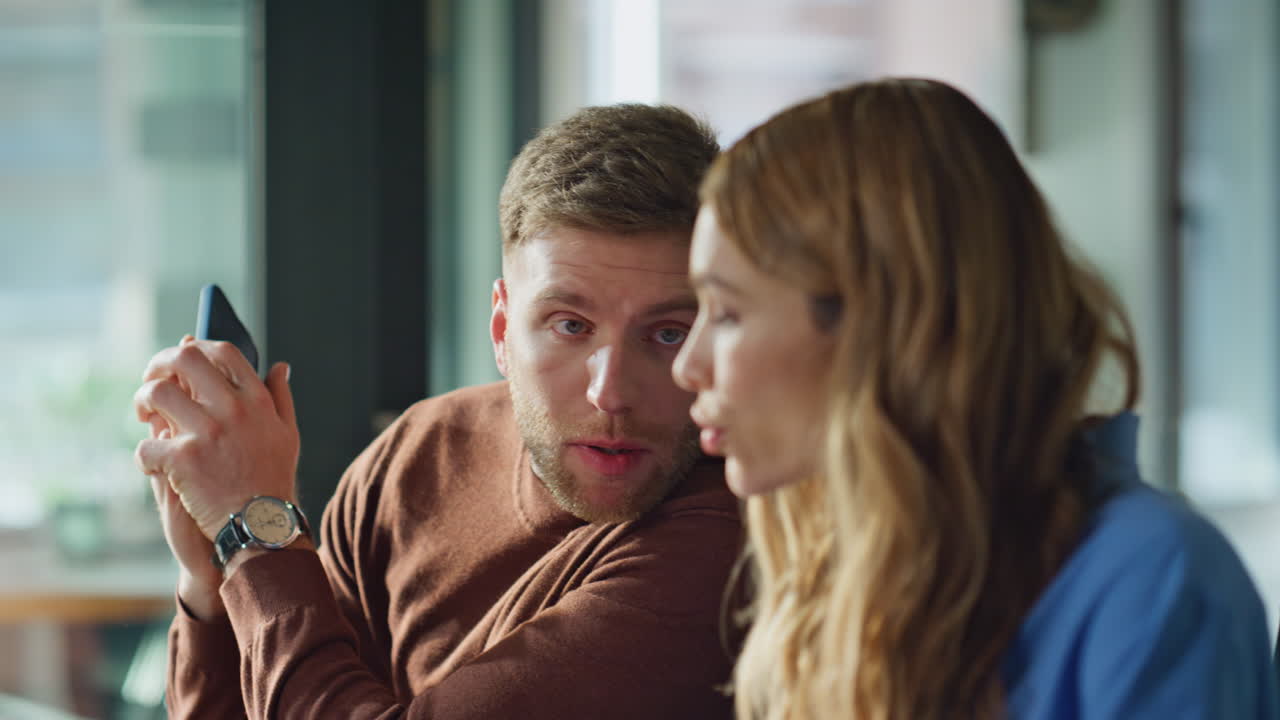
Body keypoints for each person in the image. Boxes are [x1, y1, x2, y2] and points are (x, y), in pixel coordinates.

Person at [672, 78, 1280, 719]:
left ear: (885, 328)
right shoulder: (840, 572)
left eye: (730, 313)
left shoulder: (1155, 585)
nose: (688, 365)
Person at [134, 104, 740, 719]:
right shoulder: (417, 456)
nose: (610, 394)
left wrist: (253, 527)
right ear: (502, 330)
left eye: (667, 334)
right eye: (570, 326)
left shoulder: (723, 547)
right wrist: (214, 578)